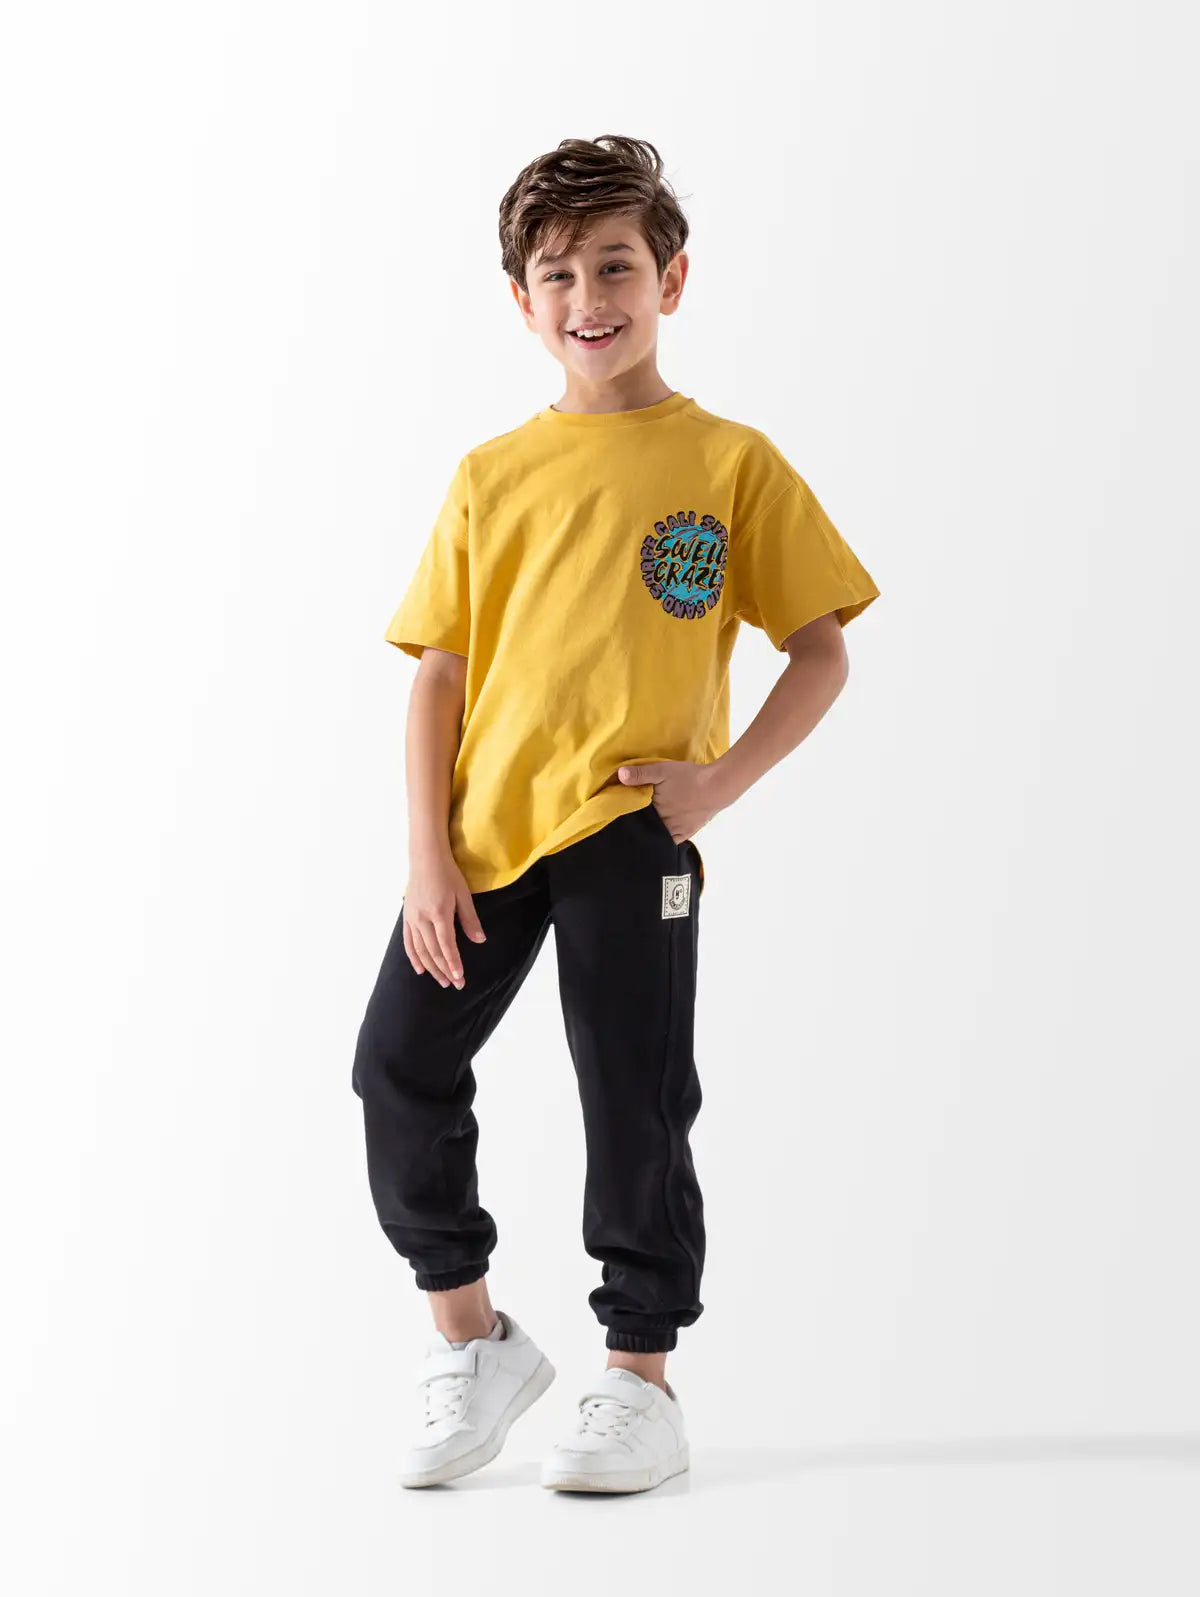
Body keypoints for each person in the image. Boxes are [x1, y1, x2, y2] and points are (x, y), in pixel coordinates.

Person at [351, 134, 880, 1495]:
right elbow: (439, 673)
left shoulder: (729, 461)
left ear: (672, 279)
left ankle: (640, 1376)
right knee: (396, 1065)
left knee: (633, 1094)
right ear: (522, 302)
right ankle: (473, 1341)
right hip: (483, 838)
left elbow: (819, 647)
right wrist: (425, 853)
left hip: (632, 833)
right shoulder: (491, 474)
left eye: (616, 266)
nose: (589, 297)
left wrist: (718, 783)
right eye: (559, 274)